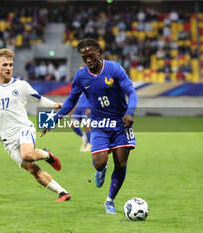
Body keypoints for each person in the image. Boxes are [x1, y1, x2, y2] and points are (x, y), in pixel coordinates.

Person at [41, 38, 138, 213]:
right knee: (100, 162)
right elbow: (71, 100)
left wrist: (129, 112)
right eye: (84, 57)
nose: (88, 60)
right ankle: (101, 169)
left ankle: (109, 201)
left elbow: (131, 92)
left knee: (121, 164)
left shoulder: (114, 69)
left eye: (91, 56)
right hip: (99, 123)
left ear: (98, 53)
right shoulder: (81, 76)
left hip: (120, 122)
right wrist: (53, 120)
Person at [0, 48, 71, 202]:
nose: (8, 68)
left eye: (10, 65)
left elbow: (38, 99)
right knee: (32, 168)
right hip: (7, 139)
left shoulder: (21, 85)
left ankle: (46, 154)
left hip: (24, 128)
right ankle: (63, 192)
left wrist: (53, 105)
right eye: (5, 65)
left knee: (27, 155)